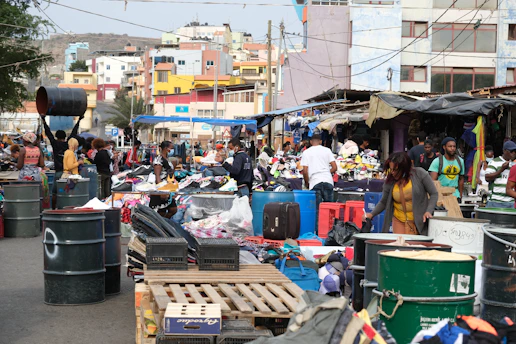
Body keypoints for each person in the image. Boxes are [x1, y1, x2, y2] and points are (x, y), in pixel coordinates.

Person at [364, 152, 438, 235]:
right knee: (400, 245)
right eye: (390, 169)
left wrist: (428, 211)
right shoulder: (390, 182)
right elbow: (383, 202)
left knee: (416, 246)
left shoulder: (420, 174)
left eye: (395, 170)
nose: (392, 172)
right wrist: (371, 214)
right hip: (399, 220)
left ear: (404, 168)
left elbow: (434, 193)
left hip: (419, 222)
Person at [41, 114, 83, 208]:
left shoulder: (55, 144)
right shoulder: (69, 145)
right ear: (65, 137)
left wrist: (44, 120)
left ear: (56, 136)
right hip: (69, 173)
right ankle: (68, 207)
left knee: (55, 193)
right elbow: (73, 133)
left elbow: (48, 133)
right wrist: (79, 120)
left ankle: (55, 208)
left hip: (59, 172)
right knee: (69, 192)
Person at [301, 134, 337, 226]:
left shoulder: (306, 152)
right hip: (328, 180)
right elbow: (334, 167)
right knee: (330, 209)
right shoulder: (327, 150)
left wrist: (307, 183)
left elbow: (305, 171)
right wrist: (325, 172)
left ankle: (318, 231)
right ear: (321, 141)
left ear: (311, 142)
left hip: (315, 182)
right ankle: (331, 230)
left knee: (317, 210)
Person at [484, 141, 516, 208]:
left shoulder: (514, 164)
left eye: (515, 151)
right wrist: (501, 169)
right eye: (511, 151)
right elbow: (487, 178)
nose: (513, 153)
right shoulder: (494, 162)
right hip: (495, 201)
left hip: (510, 201)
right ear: (504, 151)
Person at [152, 141, 177, 218]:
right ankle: (159, 226)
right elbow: (157, 175)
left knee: (173, 209)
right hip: (161, 188)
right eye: (171, 148)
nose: (172, 150)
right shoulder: (158, 159)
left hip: (168, 187)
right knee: (161, 211)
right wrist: (161, 191)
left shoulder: (167, 159)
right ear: (166, 149)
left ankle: (164, 224)